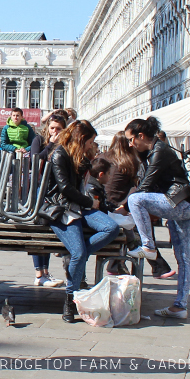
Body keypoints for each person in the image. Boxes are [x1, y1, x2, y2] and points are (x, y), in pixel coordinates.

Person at [44, 120, 120, 323]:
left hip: (80, 207)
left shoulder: (79, 157)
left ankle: (80, 259)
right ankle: (71, 299)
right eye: (90, 141)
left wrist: (90, 157)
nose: (91, 145)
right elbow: (64, 188)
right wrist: (89, 201)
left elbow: (90, 174)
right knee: (77, 252)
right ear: (81, 139)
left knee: (111, 227)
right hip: (61, 209)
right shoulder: (59, 154)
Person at [125, 117, 190, 319]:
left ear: (141, 136)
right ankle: (180, 306)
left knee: (136, 199)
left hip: (181, 204)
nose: (130, 144)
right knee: (183, 256)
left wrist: (124, 206)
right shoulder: (152, 152)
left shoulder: (160, 151)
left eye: (131, 140)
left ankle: (148, 246)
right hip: (186, 204)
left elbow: (146, 186)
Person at [104, 132, 174, 278]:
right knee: (142, 232)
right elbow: (139, 187)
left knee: (137, 232)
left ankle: (116, 264)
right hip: (121, 205)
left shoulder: (103, 157)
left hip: (107, 206)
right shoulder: (130, 161)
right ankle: (158, 267)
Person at [29, 114, 67, 287]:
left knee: (49, 232)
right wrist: (51, 144)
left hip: (56, 191)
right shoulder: (39, 140)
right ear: (47, 128)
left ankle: (45, 272)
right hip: (40, 188)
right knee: (39, 230)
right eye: (52, 128)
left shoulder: (66, 144)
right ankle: (39, 273)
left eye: (59, 129)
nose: (55, 131)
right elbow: (35, 159)